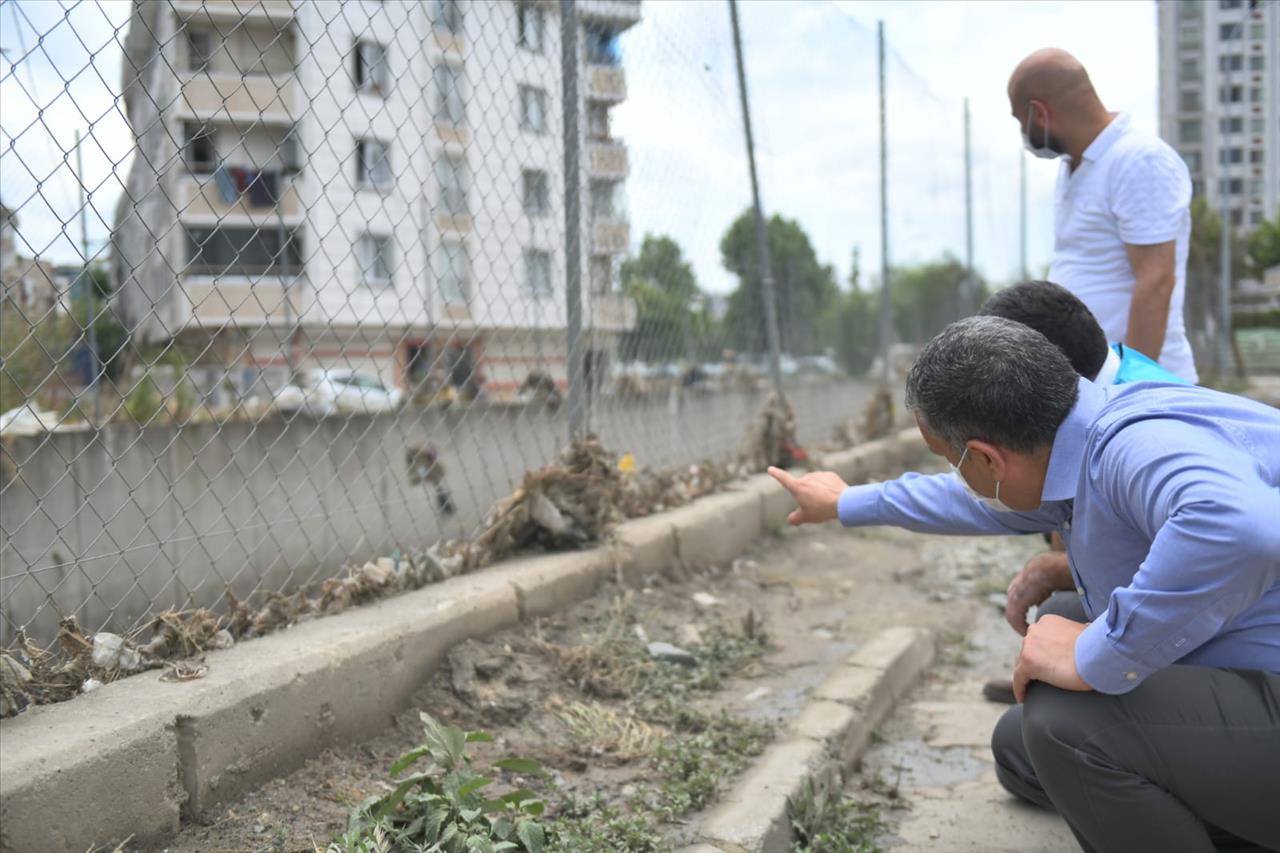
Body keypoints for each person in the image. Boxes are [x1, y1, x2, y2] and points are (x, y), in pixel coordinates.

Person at [768, 316, 1280, 853]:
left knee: (1066, 727)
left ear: (988, 457)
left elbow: (1240, 529)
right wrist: (845, 502)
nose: (957, 476)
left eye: (952, 459)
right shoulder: (1078, 439)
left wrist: (1098, 653)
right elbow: (958, 501)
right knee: (1022, 744)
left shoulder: (1132, 445)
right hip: (1249, 669)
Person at [976, 280, 1189, 704]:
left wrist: (1096, 659)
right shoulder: (1100, 405)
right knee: (1057, 618)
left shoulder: (1137, 426)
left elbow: (1222, 535)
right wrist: (847, 502)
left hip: (1242, 647)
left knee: (1043, 729)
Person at [1009, 49, 1197, 382]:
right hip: (1092, 383)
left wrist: (1131, 389)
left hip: (1136, 388)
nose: (1023, 133)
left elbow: (1156, 281)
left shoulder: (1139, 159)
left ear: (1039, 113)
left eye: (1019, 120)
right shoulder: (1075, 165)